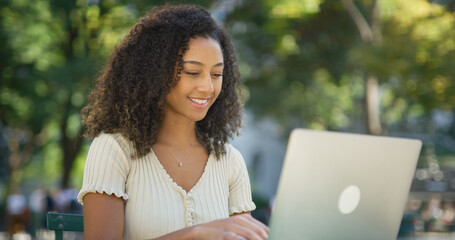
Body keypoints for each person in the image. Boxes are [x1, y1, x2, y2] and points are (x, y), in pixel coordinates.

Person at [77, 4, 269, 240]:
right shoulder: (114, 150)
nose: (208, 87)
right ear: (154, 73)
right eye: (192, 72)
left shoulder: (230, 162)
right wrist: (195, 234)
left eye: (217, 74)